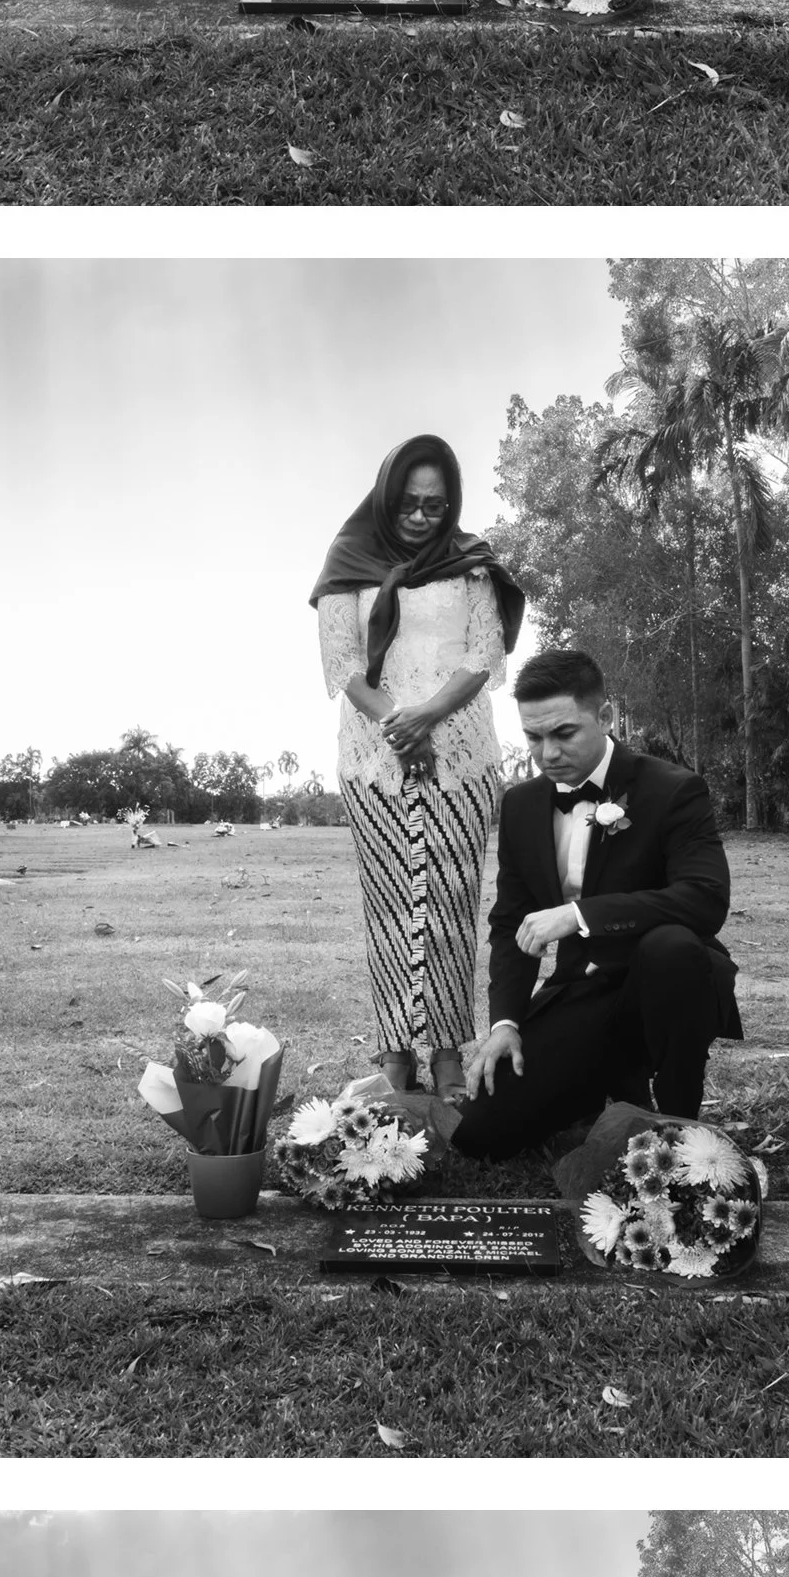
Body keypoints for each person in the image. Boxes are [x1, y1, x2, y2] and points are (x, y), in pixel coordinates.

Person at [386, 646, 741, 1161]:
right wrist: (505, 1022)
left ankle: (681, 1127)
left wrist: (579, 915)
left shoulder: (673, 789)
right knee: (483, 1135)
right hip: (582, 992)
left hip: (671, 985)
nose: (547, 753)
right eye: (533, 737)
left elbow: (704, 900)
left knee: (672, 948)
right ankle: (600, 1086)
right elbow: (511, 921)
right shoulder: (522, 806)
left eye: (564, 733)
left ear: (605, 717)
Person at [311, 436, 525, 1099]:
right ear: (387, 495)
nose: (420, 515)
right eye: (408, 502)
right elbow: (344, 660)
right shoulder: (349, 562)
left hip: (461, 753)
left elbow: (486, 652)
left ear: (451, 503)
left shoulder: (470, 564)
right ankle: (395, 1051)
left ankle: (449, 1053)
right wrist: (396, 724)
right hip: (374, 756)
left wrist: (426, 716)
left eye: (435, 505)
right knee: (388, 904)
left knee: (455, 901)